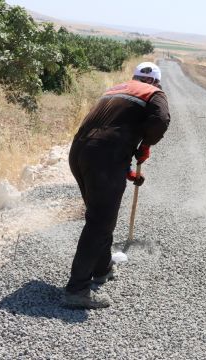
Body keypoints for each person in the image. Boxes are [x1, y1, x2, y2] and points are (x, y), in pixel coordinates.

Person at [64, 62, 171, 309]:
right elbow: (161, 120)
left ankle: (102, 269)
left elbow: (106, 132)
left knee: (101, 215)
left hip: (80, 152)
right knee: (100, 221)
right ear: (156, 81)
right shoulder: (154, 92)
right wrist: (145, 145)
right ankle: (77, 290)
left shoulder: (115, 90)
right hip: (104, 156)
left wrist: (128, 172)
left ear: (134, 77)